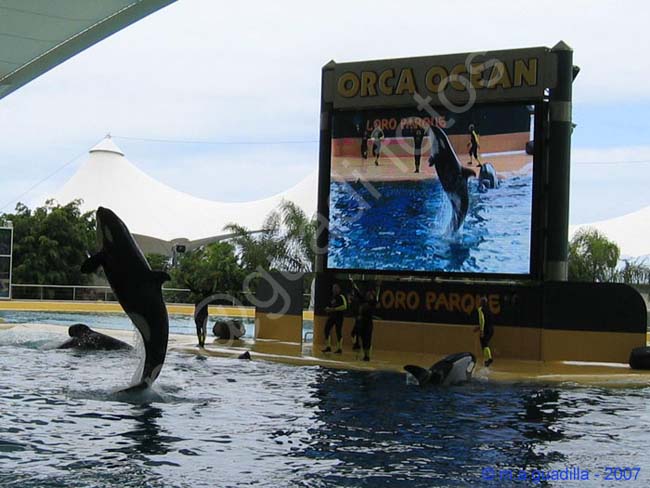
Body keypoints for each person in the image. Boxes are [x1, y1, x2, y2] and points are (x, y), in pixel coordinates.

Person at [322, 283, 348, 353]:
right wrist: (327, 309)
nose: (334, 290)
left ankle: (339, 348)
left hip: (339, 316)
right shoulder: (332, 297)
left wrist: (334, 309)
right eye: (333, 288)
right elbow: (330, 305)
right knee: (326, 329)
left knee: (338, 331)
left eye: (336, 288)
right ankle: (328, 346)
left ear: (339, 289)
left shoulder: (341, 296)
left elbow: (345, 306)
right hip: (332, 316)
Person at [357, 288, 378, 361]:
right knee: (363, 339)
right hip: (362, 322)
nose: (369, 296)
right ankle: (365, 355)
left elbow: (376, 298)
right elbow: (358, 294)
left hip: (368, 322)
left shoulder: (373, 303)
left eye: (370, 295)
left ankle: (368, 355)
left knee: (368, 339)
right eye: (368, 295)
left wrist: (377, 288)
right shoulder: (363, 301)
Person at [474, 296, 494, 367]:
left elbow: (482, 320)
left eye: (480, 301)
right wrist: (479, 328)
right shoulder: (489, 310)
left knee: (484, 343)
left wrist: (481, 330)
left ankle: (489, 358)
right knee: (484, 343)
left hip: (486, 330)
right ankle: (487, 360)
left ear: (482, 303)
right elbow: (488, 321)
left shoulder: (480, 309)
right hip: (491, 330)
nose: (479, 303)